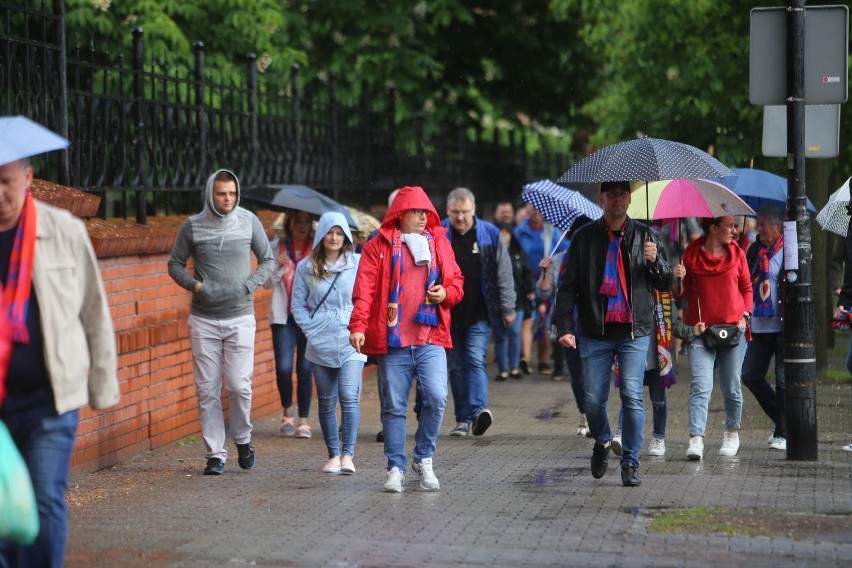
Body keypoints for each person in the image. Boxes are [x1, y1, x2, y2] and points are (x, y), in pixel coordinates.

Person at [0, 156, 119, 567]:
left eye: (6, 182)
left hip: (50, 399)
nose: (0, 194)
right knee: (5, 507)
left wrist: (103, 384)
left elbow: (94, 311)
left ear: (28, 178)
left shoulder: (63, 230)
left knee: (43, 496)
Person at [554, 180, 673, 487]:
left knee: (632, 395)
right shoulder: (583, 238)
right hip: (595, 330)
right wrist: (565, 327)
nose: (618, 200)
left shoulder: (648, 236)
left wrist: (655, 261)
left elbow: (665, 284)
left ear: (629, 200)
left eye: (623, 194)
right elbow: (567, 288)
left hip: (634, 331)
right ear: (602, 198)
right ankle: (603, 440)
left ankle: (631, 462)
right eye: (613, 195)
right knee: (593, 400)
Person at [349, 186, 463, 493]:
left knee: (437, 397)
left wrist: (446, 294)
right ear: (400, 214)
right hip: (394, 339)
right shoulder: (379, 246)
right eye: (416, 211)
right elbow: (365, 290)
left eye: (426, 212)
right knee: (394, 407)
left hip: (430, 336)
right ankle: (395, 467)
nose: (423, 217)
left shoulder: (439, 242)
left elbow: (456, 282)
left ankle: (423, 458)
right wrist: (357, 326)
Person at [167, 169, 274, 476]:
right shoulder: (193, 226)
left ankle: (243, 439)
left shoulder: (248, 221)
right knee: (207, 389)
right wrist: (196, 286)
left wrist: (249, 285)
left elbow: (267, 260)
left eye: (232, 193)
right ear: (210, 194)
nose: (228, 199)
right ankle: (215, 453)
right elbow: (174, 264)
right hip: (204, 320)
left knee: (240, 386)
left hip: (240, 316)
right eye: (221, 194)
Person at [291, 212, 366, 474]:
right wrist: (312, 330)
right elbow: (297, 305)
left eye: (339, 232)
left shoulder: (358, 262)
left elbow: (367, 297)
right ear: (321, 235)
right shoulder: (305, 267)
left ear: (346, 236)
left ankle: (348, 454)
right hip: (320, 340)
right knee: (325, 399)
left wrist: (361, 324)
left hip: (352, 337)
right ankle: (333, 454)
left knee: (349, 395)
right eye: (329, 232)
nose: (334, 237)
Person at [673, 215, 752, 461]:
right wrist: (677, 277)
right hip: (700, 330)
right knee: (701, 384)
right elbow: (680, 294)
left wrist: (746, 317)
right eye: (730, 226)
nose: (735, 231)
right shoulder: (691, 255)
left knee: (731, 385)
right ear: (714, 229)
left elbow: (747, 289)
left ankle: (731, 433)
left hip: (733, 330)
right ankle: (696, 439)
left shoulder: (737, 254)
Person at [442, 187, 516, 436]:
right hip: (448, 313)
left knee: (474, 359)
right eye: (455, 212)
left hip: (480, 312)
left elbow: (504, 273)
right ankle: (462, 419)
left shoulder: (489, 234)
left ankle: (477, 412)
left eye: (464, 212)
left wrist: (507, 308)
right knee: (455, 367)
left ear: (474, 209)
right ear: (448, 211)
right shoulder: (439, 234)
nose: (460, 217)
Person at [610, 291, 697, 457]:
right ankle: (621, 434)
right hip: (632, 354)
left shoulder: (663, 295)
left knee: (658, 400)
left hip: (658, 357)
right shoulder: (627, 291)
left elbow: (675, 324)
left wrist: (692, 331)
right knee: (629, 395)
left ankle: (659, 438)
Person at [537, 216, 593, 436]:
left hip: (592, 325)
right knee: (577, 374)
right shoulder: (560, 260)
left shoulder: (599, 259)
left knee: (593, 373)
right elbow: (544, 292)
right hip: (566, 325)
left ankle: (594, 413)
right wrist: (544, 272)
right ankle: (585, 412)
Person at [264, 210, 316, 438]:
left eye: (306, 221)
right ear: (289, 224)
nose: (302, 226)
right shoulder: (276, 247)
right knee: (284, 367)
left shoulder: (317, 249)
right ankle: (287, 410)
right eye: (297, 221)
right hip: (283, 318)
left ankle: (303, 418)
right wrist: (278, 267)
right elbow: (265, 283)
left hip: (307, 317)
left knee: (305, 369)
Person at [741, 208, 787, 451]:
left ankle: (782, 432)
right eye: (758, 224)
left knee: (782, 380)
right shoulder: (754, 250)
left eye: (764, 225)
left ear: (778, 228)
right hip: (758, 326)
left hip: (782, 327)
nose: (759, 229)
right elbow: (745, 278)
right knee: (750, 375)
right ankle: (784, 421)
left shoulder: (789, 251)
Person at [515, 204, 568, 375]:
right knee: (526, 321)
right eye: (532, 208)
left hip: (546, 280)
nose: (536, 211)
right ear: (527, 211)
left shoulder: (552, 232)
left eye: (539, 208)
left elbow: (564, 249)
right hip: (525, 283)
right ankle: (524, 358)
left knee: (544, 322)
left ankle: (543, 361)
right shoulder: (519, 232)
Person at [493, 220, 533, 381]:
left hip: (518, 299)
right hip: (497, 300)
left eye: (506, 232)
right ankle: (503, 369)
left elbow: (527, 272)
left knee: (515, 333)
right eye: (501, 232)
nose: (504, 235)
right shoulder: (492, 252)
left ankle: (514, 368)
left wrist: (530, 290)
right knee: (501, 336)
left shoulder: (518, 252)